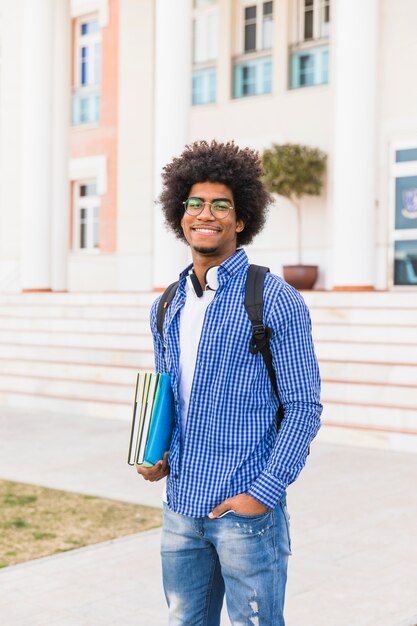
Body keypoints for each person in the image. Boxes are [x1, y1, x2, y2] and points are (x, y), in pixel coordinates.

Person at [137, 140, 322, 626]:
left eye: (221, 205)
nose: (206, 214)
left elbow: (304, 406)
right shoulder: (167, 304)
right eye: (195, 203)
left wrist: (264, 491)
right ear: (180, 215)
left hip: (246, 511)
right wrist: (159, 454)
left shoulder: (273, 298)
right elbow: (170, 396)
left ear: (241, 221)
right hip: (181, 507)